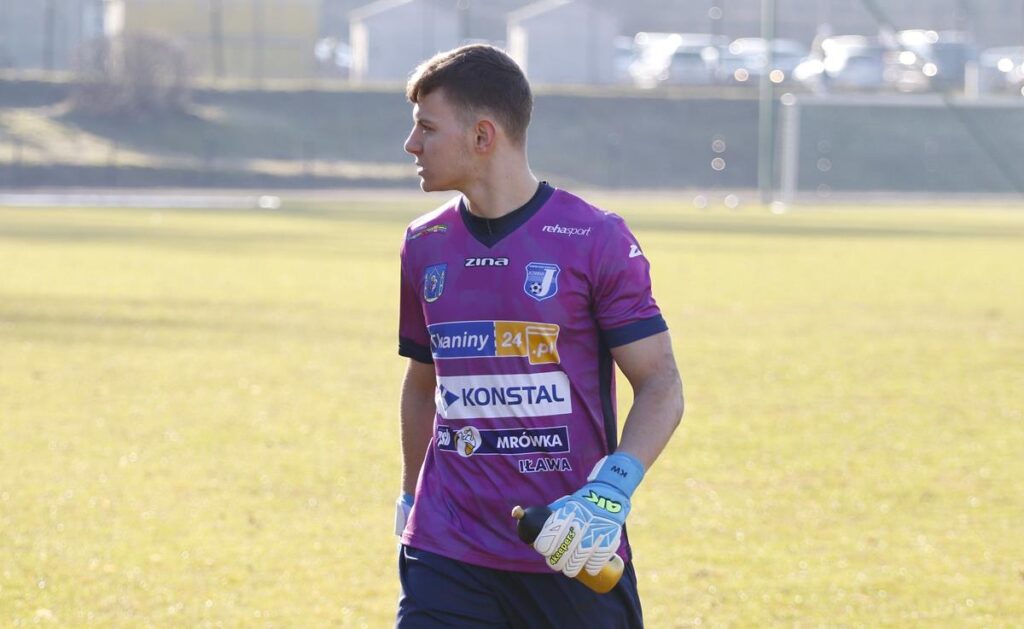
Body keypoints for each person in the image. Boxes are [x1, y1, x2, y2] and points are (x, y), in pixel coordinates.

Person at [394, 44, 684, 628]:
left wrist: (610, 494)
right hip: (447, 549)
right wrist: (410, 499)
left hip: (569, 547)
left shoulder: (595, 238)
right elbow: (423, 385)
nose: (411, 144)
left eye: (427, 127)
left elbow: (661, 384)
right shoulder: (423, 244)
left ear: (483, 135)